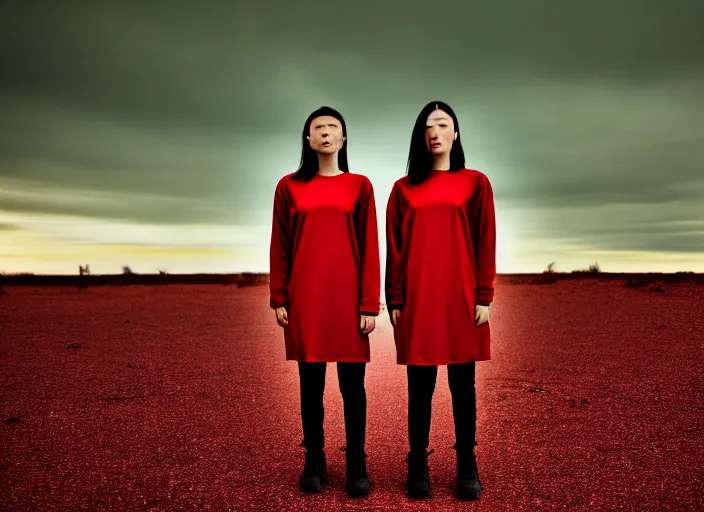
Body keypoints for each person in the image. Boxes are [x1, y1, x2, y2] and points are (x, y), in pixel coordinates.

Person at [385, 101, 496, 501]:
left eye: (442, 124)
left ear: (455, 133)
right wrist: (394, 296)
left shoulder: (476, 183)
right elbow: (394, 249)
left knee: (463, 385)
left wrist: (484, 294)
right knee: (420, 386)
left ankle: (467, 463)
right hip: (418, 299)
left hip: (463, 298)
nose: (434, 131)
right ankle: (418, 463)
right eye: (427, 126)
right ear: (420, 136)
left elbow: (486, 243)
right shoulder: (403, 189)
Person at [269, 106, 381, 498]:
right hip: (305, 300)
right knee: (310, 385)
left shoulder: (360, 186)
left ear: (344, 138)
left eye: (334, 127)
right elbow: (280, 245)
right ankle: (314, 458)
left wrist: (370, 303)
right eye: (319, 127)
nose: (327, 132)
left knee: (353, 387)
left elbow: (370, 247)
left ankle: (356, 462)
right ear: (308, 138)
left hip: (349, 302)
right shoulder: (288, 186)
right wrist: (278, 296)